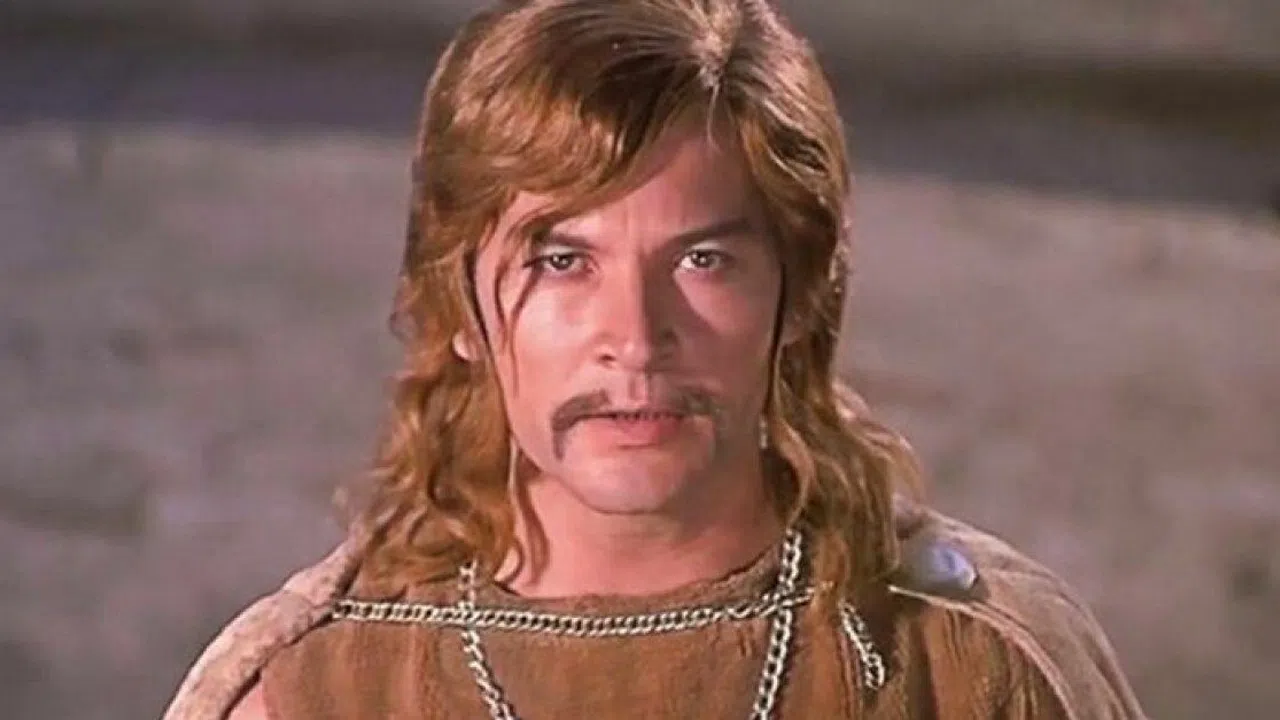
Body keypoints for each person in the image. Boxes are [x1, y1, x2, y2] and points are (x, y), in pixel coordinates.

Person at [165, 0, 1146, 717]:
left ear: (799, 293)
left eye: (702, 260)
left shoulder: (967, 667)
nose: (634, 338)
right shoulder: (315, 689)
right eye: (561, 261)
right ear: (455, 300)